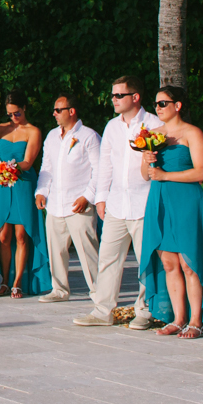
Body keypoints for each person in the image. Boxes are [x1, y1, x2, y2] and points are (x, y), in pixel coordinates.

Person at [72, 77, 157, 330]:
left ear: (135, 97)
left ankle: (145, 310)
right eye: (113, 95)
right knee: (108, 258)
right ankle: (102, 309)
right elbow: (105, 164)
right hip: (116, 204)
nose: (114, 100)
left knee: (146, 259)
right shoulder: (111, 126)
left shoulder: (154, 123)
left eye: (119, 95)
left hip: (144, 202)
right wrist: (101, 198)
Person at [137, 85, 203, 337]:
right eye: (156, 104)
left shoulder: (192, 133)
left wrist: (165, 175)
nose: (157, 108)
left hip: (185, 200)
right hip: (159, 200)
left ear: (177, 105)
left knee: (189, 262)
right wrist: (147, 160)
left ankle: (197, 320)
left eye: (163, 103)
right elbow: (145, 176)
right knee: (169, 263)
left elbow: (201, 172)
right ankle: (178, 318)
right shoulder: (151, 135)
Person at [34, 94, 100, 303]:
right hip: (55, 203)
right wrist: (41, 191)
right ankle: (59, 289)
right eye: (54, 110)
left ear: (71, 111)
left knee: (88, 251)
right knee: (56, 250)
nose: (54, 114)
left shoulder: (89, 136)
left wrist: (87, 196)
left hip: (79, 203)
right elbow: (47, 167)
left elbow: (99, 170)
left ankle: (100, 293)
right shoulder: (52, 136)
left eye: (58, 110)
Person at [0, 92, 48, 297]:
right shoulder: (1, 129)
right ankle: (5, 280)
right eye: (9, 114)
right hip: (3, 184)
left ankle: (17, 282)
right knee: (3, 235)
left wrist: (12, 167)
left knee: (21, 235)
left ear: (25, 108)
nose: (13, 117)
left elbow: (28, 162)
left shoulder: (33, 131)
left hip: (23, 182)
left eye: (17, 113)